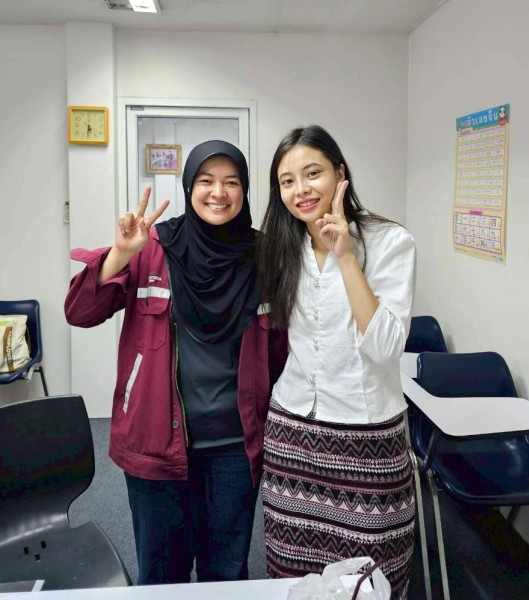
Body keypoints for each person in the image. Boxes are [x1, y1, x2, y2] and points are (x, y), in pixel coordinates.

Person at [65, 140, 286, 586]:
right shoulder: (153, 247)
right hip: (157, 444)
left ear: (245, 190)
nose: (218, 192)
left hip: (234, 448)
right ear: (189, 187)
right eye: (206, 181)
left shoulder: (264, 257)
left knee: (226, 574)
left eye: (231, 182)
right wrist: (120, 254)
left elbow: (279, 353)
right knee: (162, 576)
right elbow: (80, 312)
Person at [257, 125, 416, 599]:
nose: (301, 190)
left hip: (366, 440)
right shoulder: (283, 246)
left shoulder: (389, 241)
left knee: (373, 577)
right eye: (287, 181)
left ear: (340, 174)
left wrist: (346, 258)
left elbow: (385, 347)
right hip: (293, 436)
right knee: (292, 572)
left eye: (313, 173)